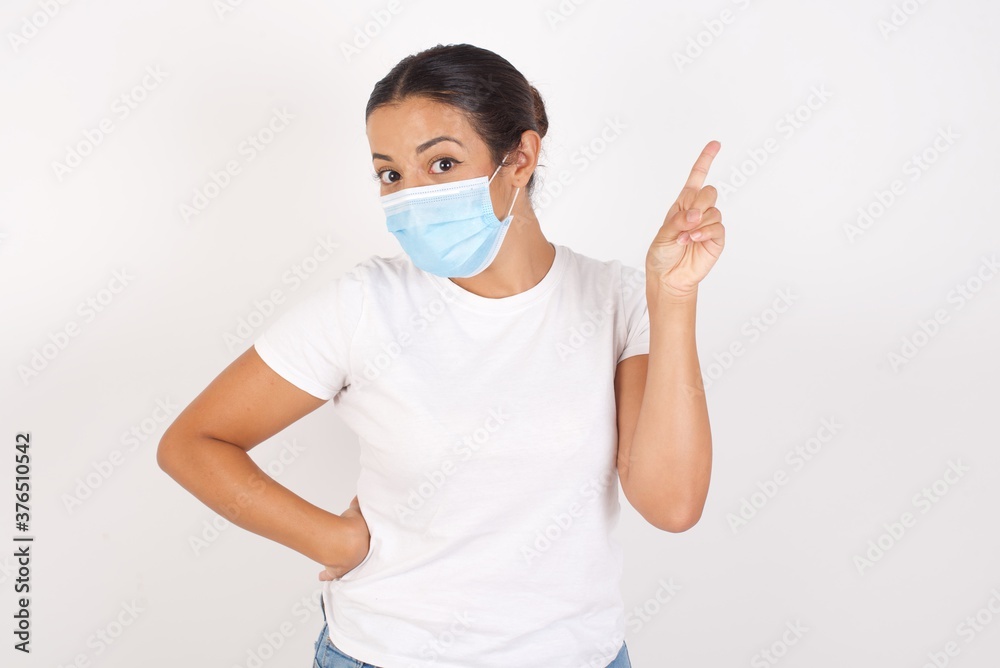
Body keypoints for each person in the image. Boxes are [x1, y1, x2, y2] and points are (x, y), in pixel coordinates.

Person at [157, 42, 722, 668]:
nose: (411, 196)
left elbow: (671, 505)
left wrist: (673, 297)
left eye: (442, 163)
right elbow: (195, 442)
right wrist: (335, 539)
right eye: (391, 174)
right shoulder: (364, 304)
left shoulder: (619, 300)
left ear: (521, 158)